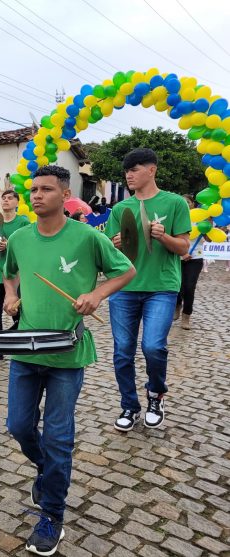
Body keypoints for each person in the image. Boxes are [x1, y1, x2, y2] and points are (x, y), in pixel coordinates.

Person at [3, 165, 134, 555]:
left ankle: (52, 514)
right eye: (33, 189)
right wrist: (11, 295)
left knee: (59, 437)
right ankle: (47, 470)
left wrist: (97, 295)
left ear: (64, 194)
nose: (36, 195)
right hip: (25, 351)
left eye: (45, 189)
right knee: (18, 425)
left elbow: (125, 270)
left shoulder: (86, 237)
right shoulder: (21, 238)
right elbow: (8, 273)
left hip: (68, 352)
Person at [104, 148, 190, 432]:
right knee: (122, 352)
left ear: (151, 170)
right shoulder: (120, 209)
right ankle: (129, 405)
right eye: (126, 170)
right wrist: (113, 245)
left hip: (161, 288)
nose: (129, 175)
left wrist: (162, 236)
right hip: (124, 288)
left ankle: (156, 395)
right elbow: (108, 253)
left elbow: (184, 248)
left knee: (153, 346)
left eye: (135, 169)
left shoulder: (174, 203)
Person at [0, 189, 29, 363]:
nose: (6, 201)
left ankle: (19, 345)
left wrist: (9, 244)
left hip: (17, 275)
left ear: (17, 203)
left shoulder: (22, 222)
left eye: (10, 198)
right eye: (4, 198)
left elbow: (27, 246)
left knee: (17, 313)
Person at [175, 194, 203, 330]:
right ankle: (177, 305)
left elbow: (209, 239)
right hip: (178, 256)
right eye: (183, 202)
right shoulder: (176, 217)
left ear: (193, 204)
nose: (185, 204)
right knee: (177, 285)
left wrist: (206, 229)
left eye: (188, 202)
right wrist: (183, 253)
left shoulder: (201, 217)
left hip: (195, 258)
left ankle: (186, 315)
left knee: (189, 287)